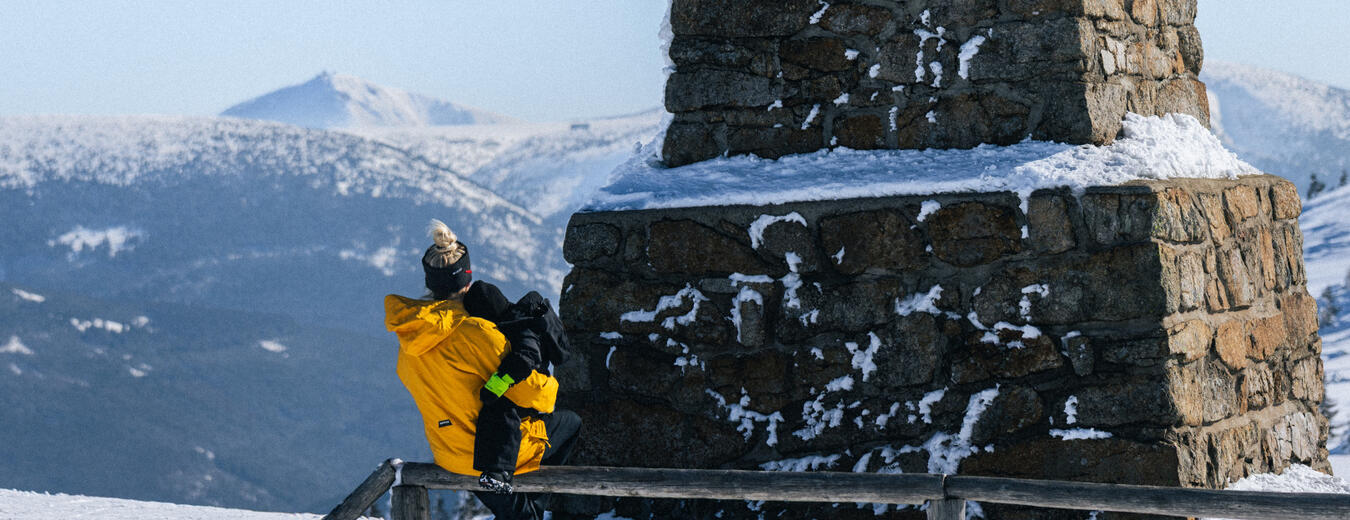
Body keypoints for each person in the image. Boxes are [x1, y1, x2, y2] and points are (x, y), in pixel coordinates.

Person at [385, 219, 579, 520]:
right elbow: (537, 396)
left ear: (429, 283)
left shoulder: (409, 340)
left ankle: (526, 512)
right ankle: (538, 509)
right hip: (488, 452)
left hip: (449, 452)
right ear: (468, 278)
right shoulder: (478, 333)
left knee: (517, 514)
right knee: (570, 424)